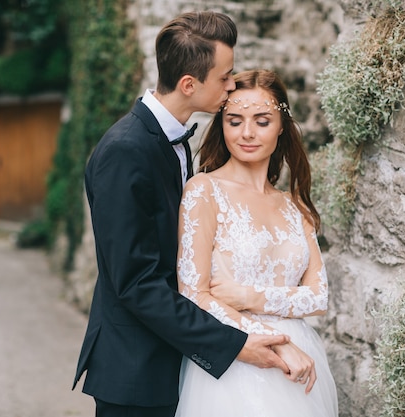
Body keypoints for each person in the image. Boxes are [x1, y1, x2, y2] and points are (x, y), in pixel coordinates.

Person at [72, 12, 299, 417]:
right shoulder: (125, 152)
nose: (231, 87)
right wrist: (233, 342)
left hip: (172, 360)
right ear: (189, 84)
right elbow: (136, 282)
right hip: (136, 372)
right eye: (225, 77)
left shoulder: (171, 140)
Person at [175, 69, 339, 417]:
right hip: (238, 361)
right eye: (234, 121)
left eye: (262, 121)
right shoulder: (204, 192)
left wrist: (249, 296)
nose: (246, 133)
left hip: (302, 364)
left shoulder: (295, 207)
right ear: (222, 125)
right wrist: (278, 344)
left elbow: (319, 296)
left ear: (281, 127)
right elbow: (194, 294)